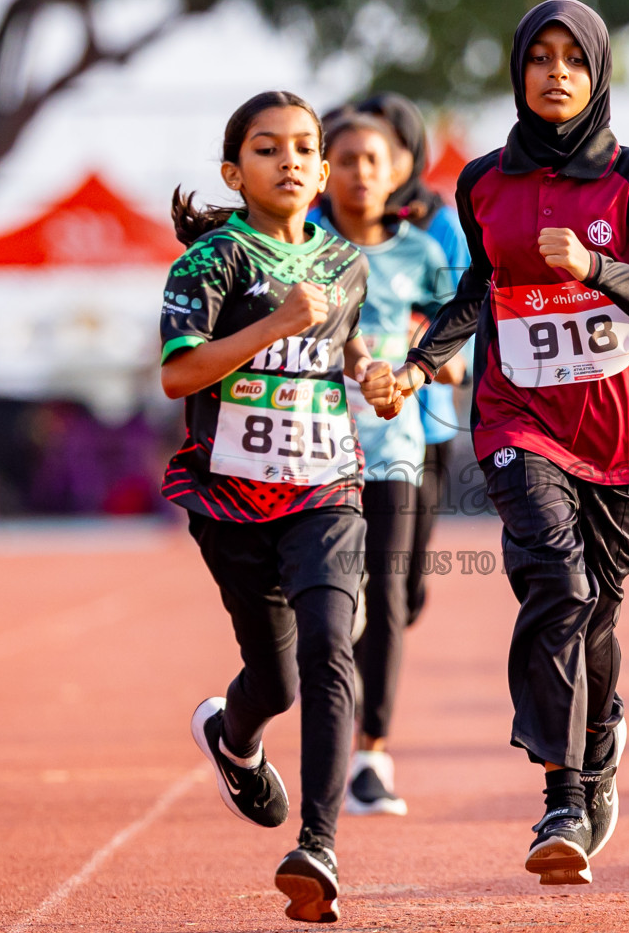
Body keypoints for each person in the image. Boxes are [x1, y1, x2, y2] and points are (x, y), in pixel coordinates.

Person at [381, 0, 629, 886]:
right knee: (555, 583)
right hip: (518, 418)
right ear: (517, 71)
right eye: (539, 58)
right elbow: (477, 291)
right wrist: (420, 362)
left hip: (622, 432)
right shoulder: (483, 182)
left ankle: (599, 743)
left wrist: (596, 268)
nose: (555, 73)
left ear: (597, 76)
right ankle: (563, 796)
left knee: (597, 604)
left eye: (573, 60)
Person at [159, 89, 398, 924]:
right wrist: (275, 326)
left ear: (323, 170)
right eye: (267, 149)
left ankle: (319, 847)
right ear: (234, 170)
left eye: (303, 147)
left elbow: (349, 345)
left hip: (327, 488)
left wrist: (373, 374)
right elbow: (179, 376)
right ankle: (234, 737)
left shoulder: (345, 262)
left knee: (332, 646)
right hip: (229, 500)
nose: (289, 160)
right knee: (277, 679)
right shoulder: (209, 262)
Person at [313, 108, 454, 816]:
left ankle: (373, 751)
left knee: (396, 595)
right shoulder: (301, 249)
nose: (360, 173)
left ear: (396, 170)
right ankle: (352, 746)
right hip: (315, 456)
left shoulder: (420, 251)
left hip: (398, 451)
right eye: (345, 160)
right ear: (322, 171)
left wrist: (435, 368)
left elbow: (454, 328)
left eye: (373, 160)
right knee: (337, 606)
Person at [353, 93, 473, 629]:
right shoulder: (321, 222)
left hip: (422, 421)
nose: (372, 160)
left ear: (411, 153)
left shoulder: (438, 225)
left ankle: (382, 636)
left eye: (387, 147)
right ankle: (351, 674)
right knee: (350, 573)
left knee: (405, 582)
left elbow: (459, 311)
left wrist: (407, 341)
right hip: (344, 422)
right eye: (356, 148)